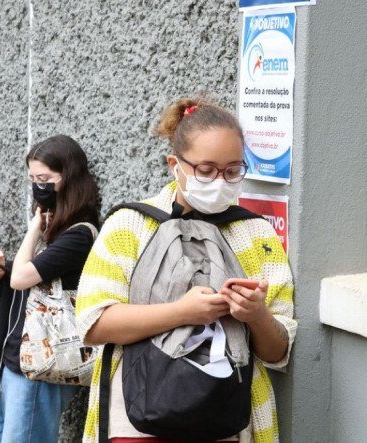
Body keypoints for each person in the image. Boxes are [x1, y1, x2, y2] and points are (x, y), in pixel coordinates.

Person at [75, 98, 297, 442]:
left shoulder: (257, 236)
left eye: (233, 170)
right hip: (135, 420)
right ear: (174, 164)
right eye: (206, 170)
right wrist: (182, 312)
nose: (220, 181)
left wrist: (256, 315)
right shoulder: (130, 226)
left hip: (226, 422)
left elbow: (278, 352)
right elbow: (94, 323)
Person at [0, 135, 100, 441]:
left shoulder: (80, 234)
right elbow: (25, 275)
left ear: (69, 178)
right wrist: (6, 267)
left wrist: (33, 229)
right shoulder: (59, 232)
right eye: (32, 179)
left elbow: (22, 279)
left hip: (40, 365)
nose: (37, 187)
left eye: (44, 179)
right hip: (14, 358)